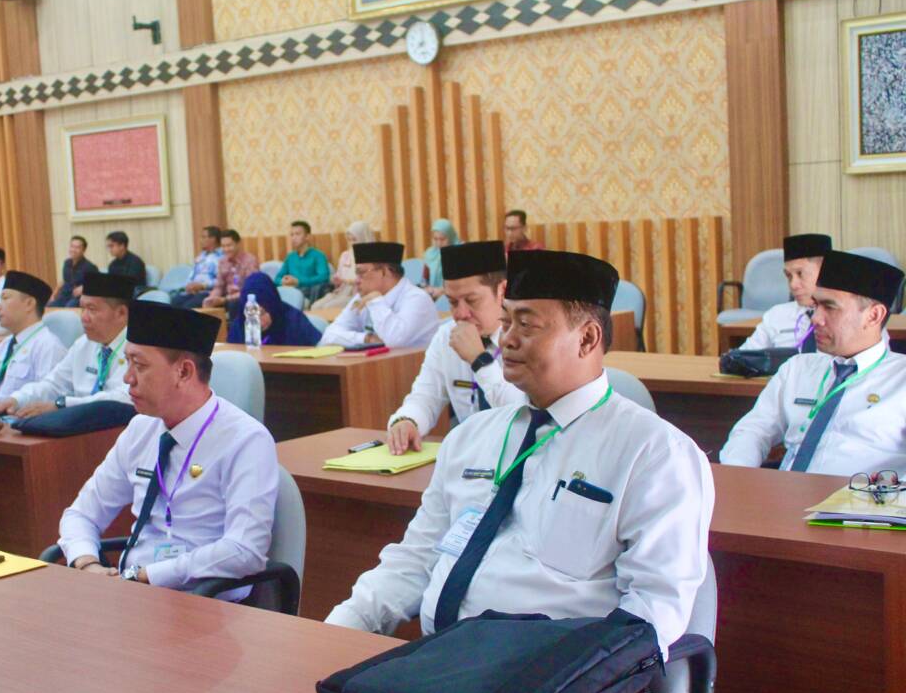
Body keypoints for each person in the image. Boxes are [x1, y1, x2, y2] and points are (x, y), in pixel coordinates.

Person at [326, 250, 713, 656]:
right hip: (436, 663)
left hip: (549, 673)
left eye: (526, 325)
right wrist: (337, 630)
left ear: (587, 339)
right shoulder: (471, 437)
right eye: (507, 320)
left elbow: (651, 612)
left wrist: (566, 680)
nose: (506, 339)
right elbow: (415, 560)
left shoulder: (655, 454)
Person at [57, 301, 278, 597]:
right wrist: (88, 564)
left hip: (205, 604)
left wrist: (148, 575)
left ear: (184, 372)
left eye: (140, 365)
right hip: (134, 596)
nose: (127, 378)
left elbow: (244, 550)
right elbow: (81, 515)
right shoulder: (140, 429)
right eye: (127, 363)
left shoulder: (246, 440)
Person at [720, 249, 906, 475]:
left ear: (873, 316)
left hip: (859, 495)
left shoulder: (901, 380)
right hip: (785, 491)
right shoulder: (798, 368)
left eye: (830, 307)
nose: (815, 318)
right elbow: (753, 430)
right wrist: (738, 474)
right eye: (815, 305)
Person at [387, 241, 526, 455]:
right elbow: (426, 396)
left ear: (502, 290)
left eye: (472, 301)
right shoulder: (446, 336)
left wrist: (479, 361)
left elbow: (523, 414)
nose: (461, 314)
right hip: (471, 456)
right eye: (452, 302)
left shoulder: (527, 337)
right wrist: (407, 420)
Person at [0, 273, 137, 418]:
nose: (84, 318)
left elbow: (123, 397)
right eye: (82, 308)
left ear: (121, 313)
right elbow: (54, 384)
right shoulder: (83, 344)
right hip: (79, 425)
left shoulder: (139, 347)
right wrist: (17, 399)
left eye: (92, 309)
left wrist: (63, 405)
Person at [0, 270, 66, 400]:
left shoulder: (48, 346)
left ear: (29, 304)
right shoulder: (5, 344)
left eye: (5, 298)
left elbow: (47, 396)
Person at [319, 242, 440, 349]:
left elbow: (394, 342)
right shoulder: (363, 297)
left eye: (361, 273)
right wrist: (367, 338)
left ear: (385, 272)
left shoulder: (417, 299)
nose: (356, 280)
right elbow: (329, 336)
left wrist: (377, 301)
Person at [737, 233, 832, 351]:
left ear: (824, 271)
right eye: (789, 276)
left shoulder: (843, 319)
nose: (793, 285)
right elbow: (743, 356)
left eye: (800, 274)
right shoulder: (777, 316)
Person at [226, 272, 321, 347]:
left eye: (262, 313)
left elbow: (319, 350)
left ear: (273, 306)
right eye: (252, 315)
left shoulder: (295, 321)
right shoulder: (239, 325)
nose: (259, 322)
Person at [312, 221, 370, 311]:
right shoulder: (345, 255)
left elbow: (367, 281)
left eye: (354, 240)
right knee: (315, 306)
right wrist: (336, 280)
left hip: (357, 294)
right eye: (349, 240)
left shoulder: (369, 257)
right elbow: (339, 276)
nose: (352, 243)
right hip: (342, 291)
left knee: (328, 308)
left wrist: (347, 281)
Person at [203, 229, 259, 316]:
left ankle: (235, 325)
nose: (226, 249)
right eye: (223, 246)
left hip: (244, 298)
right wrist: (212, 298)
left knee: (234, 304)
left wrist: (225, 299)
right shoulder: (222, 262)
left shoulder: (250, 261)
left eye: (229, 245)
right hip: (226, 298)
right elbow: (219, 286)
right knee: (202, 301)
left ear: (238, 244)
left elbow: (250, 289)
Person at [275, 221, 331, 305]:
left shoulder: (318, 255)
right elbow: (277, 278)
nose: (293, 238)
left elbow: (323, 277)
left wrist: (298, 281)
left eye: (297, 234)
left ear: (307, 237)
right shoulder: (290, 257)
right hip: (290, 293)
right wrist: (283, 281)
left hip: (309, 295)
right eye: (292, 235)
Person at [173, 226, 224, 308]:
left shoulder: (221, 257)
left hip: (208, 292)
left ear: (213, 239)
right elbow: (192, 275)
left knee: (188, 307)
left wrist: (202, 285)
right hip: (193, 292)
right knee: (175, 301)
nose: (201, 240)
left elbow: (221, 280)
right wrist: (189, 285)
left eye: (203, 237)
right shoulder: (201, 256)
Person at [51, 235, 100, 308]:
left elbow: (98, 284)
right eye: (72, 246)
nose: (73, 250)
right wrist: (53, 295)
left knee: (68, 309)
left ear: (83, 250)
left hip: (78, 297)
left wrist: (84, 287)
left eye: (77, 247)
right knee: (49, 307)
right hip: (65, 295)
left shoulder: (90, 267)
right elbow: (64, 281)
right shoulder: (67, 263)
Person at [420, 219, 461, 300]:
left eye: (442, 239)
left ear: (450, 237)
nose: (438, 243)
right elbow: (424, 279)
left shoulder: (460, 253)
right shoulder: (430, 254)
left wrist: (442, 290)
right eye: (435, 239)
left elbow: (462, 281)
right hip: (433, 294)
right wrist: (427, 288)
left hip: (455, 295)